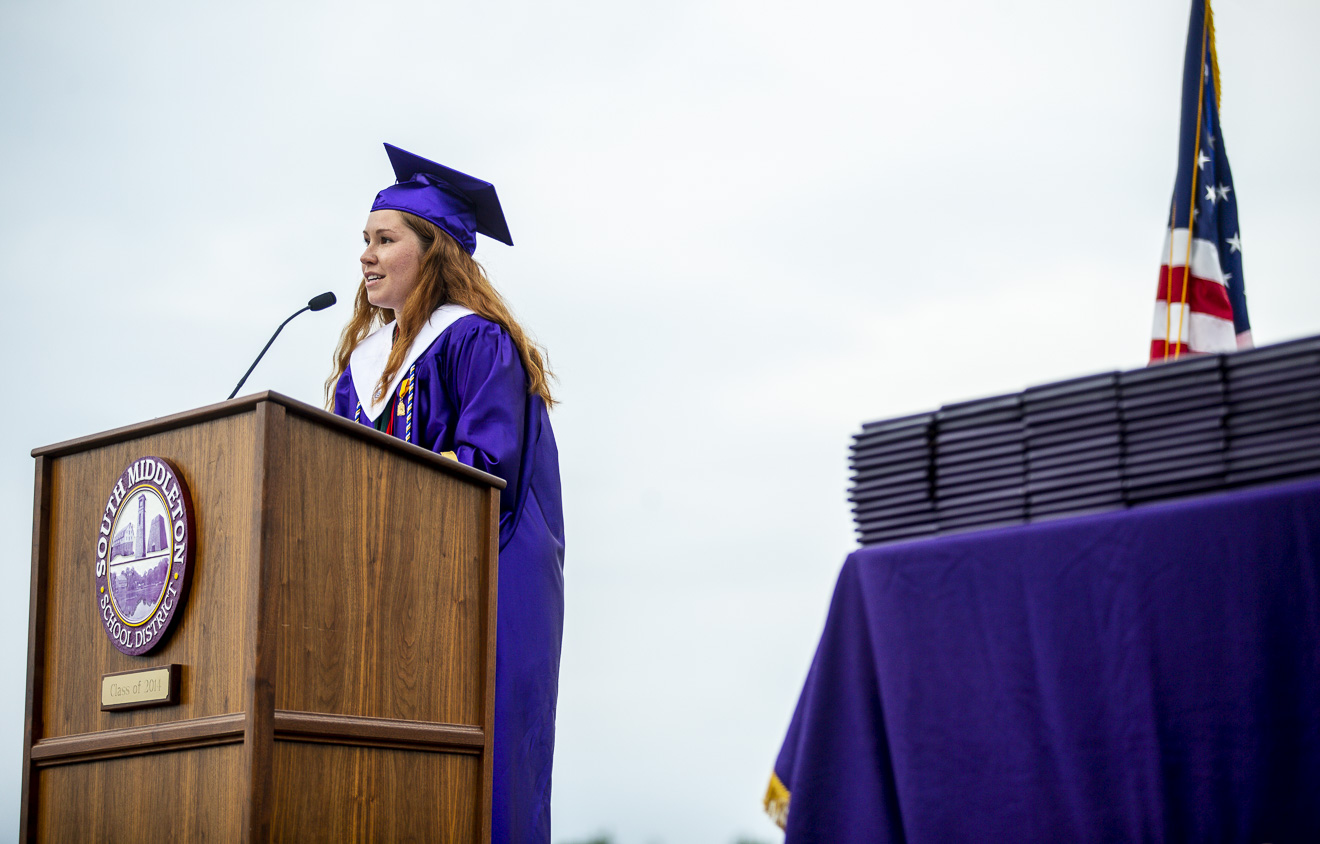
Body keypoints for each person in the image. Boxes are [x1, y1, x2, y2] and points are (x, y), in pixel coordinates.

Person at [326, 143, 565, 843]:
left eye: (384, 240)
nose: (366, 257)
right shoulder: (358, 373)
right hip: (383, 598)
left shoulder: (478, 344)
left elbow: (484, 474)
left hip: (480, 591)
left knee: (479, 777)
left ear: (433, 253)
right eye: (364, 242)